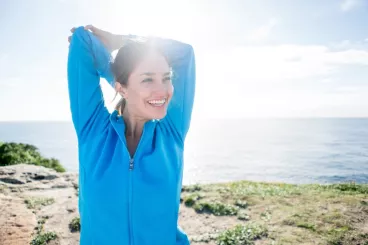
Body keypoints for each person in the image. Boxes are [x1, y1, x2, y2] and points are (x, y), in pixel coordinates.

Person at [67, 25, 195, 245]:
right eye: (147, 80)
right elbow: (82, 41)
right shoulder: (93, 130)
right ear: (121, 88)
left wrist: (123, 42)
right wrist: (119, 73)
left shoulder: (171, 132)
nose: (163, 90)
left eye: (166, 78)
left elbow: (185, 53)